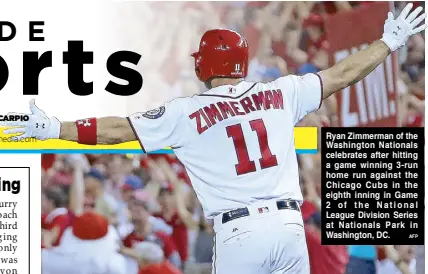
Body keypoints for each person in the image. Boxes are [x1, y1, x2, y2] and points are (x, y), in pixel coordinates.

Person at [2, 4, 426, 273]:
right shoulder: (279, 91)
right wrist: (388, 43)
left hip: (240, 232)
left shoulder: (187, 112)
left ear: (205, 65)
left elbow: (117, 130)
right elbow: (342, 75)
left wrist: (55, 128)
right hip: (288, 225)